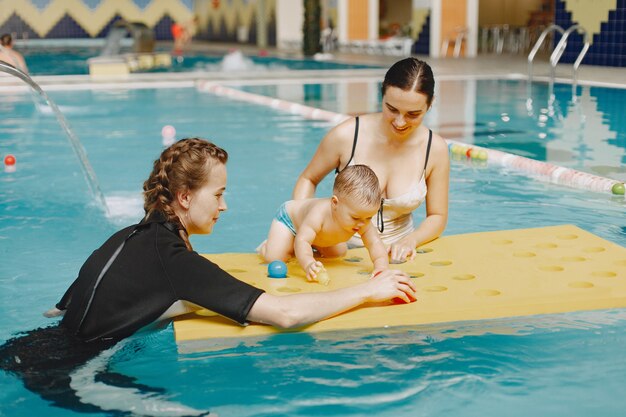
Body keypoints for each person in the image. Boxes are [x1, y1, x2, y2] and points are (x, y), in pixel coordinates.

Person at [0, 138, 416, 415]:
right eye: (218, 194)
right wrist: (367, 290)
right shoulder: (176, 263)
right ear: (184, 197)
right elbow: (286, 314)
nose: (224, 206)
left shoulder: (127, 237)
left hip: (24, 351)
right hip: (73, 377)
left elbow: (58, 309)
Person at [292, 57, 449, 264]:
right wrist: (304, 231)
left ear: (430, 104)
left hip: (399, 255)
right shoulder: (347, 136)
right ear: (382, 94)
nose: (400, 122)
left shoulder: (434, 149)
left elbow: (437, 215)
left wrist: (411, 241)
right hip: (339, 251)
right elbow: (308, 179)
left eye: (413, 114)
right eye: (392, 109)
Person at [259, 164, 389, 282]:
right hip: (289, 220)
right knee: (275, 257)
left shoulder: (361, 218)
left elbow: (374, 243)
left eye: (369, 218)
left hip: (316, 235)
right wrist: (308, 263)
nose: (362, 223)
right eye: (355, 218)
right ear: (335, 203)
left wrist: (381, 266)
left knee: (337, 254)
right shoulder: (318, 214)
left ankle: (299, 247)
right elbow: (303, 240)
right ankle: (269, 245)